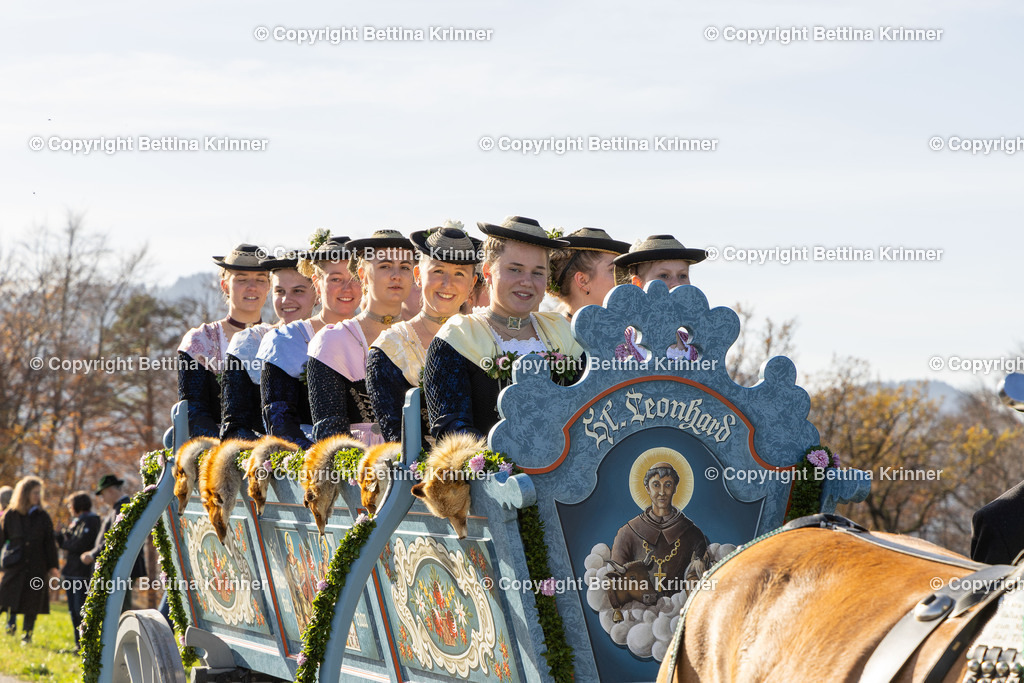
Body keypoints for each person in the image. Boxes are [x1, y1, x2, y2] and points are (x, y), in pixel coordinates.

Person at [424, 216, 582, 439]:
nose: (526, 281)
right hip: (492, 471)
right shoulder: (458, 337)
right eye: (515, 270)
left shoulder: (563, 333)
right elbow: (453, 432)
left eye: (537, 272)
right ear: (488, 272)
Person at [367, 224, 480, 445]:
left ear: (472, 284)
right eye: (438, 271)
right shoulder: (390, 348)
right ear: (418, 275)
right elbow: (399, 441)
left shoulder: (487, 337)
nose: (447, 284)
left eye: (459, 273)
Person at [307, 230, 416, 444]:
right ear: (363, 275)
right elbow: (331, 436)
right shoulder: (332, 342)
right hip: (359, 468)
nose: (396, 275)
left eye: (405, 267)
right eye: (384, 266)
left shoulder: (423, 338)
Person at [258, 236, 357, 448]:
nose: (347, 289)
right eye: (336, 279)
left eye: (354, 278)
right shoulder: (286, 341)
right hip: (309, 459)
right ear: (317, 284)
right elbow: (280, 425)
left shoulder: (379, 336)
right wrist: (324, 460)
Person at [220, 249, 317, 441]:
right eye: (279, 291)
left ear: (317, 293)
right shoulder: (249, 343)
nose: (286, 300)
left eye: (298, 291)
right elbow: (234, 425)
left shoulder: (334, 339)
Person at [177, 244, 271, 438]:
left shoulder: (279, 338)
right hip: (218, 450)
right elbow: (194, 411)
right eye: (242, 279)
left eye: (260, 279)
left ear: (269, 286)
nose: (252, 287)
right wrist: (229, 451)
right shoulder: (202, 341)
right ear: (225, 285)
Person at [611, 462, 708, 598]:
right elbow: (617, 582)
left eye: (668, 485)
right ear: (647, 488)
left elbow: (701, 581)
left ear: (675, 488)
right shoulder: (627, 533)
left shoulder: (693, 534)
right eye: (656, 485)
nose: (662, 492)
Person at [612, 235, 708, 361]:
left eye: (682, 276)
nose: (676, 284)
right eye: (664, 275)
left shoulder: (696, 346)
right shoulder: (621, 344)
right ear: (638, 284)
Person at [0, 476, 59, 644]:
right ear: (24, 493)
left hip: (37, 565)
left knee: (32, 601)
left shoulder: (43, 516)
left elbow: (49, 543)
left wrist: (53, 568)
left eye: (39, 493)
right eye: (34, 492)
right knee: (6, 597)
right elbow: (2, 539)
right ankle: (10, 628)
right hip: (15, 564)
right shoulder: (11, 515)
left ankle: (27, 634)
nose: (37, 496)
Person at [81, 475, 147, 613]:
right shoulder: (119, 507)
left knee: (120, 608)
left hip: (124, 565)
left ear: (110, 490)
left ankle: (121, 634)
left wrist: (93, 554)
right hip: (122, 565)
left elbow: (115, 538)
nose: (102, 499)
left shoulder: (122, 507)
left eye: (103, 494)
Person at [547, 227, 630, 318]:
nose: (625, 279)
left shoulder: (628, 329)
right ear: (582, 280)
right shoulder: (546, 331)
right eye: (613, 270)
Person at [55, 491, 100, 652]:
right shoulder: (78, 521)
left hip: (82, 573)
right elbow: (68, 543)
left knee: (80, 609)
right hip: (71, 572)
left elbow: (79, 544)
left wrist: (65, 540)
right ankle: (78, 644)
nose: (68, 507)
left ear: (77, 505)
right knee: (73, 611)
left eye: (70, 504)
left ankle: (87, 645)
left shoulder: (91, 520)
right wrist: (60, 535)